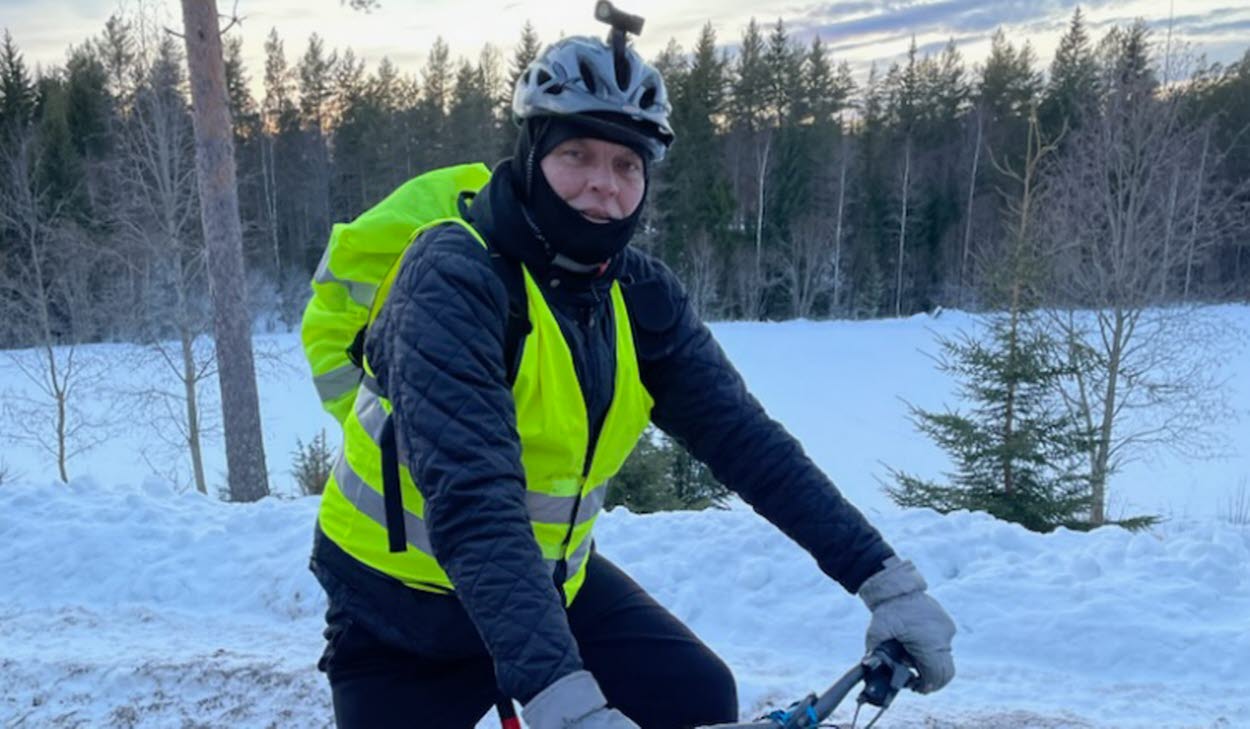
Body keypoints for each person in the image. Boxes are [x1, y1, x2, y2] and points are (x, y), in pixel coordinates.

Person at [308, 20, 956, 729]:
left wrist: (886, 580)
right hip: (403, 617)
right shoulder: (455, 278)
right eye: (576, 153)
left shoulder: (637, 294)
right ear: (529, 158)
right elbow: (474, 501)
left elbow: (747, 441)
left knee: (694, 695)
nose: (602, 185)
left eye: (626, 163)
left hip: (548, 588)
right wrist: (567, 702)